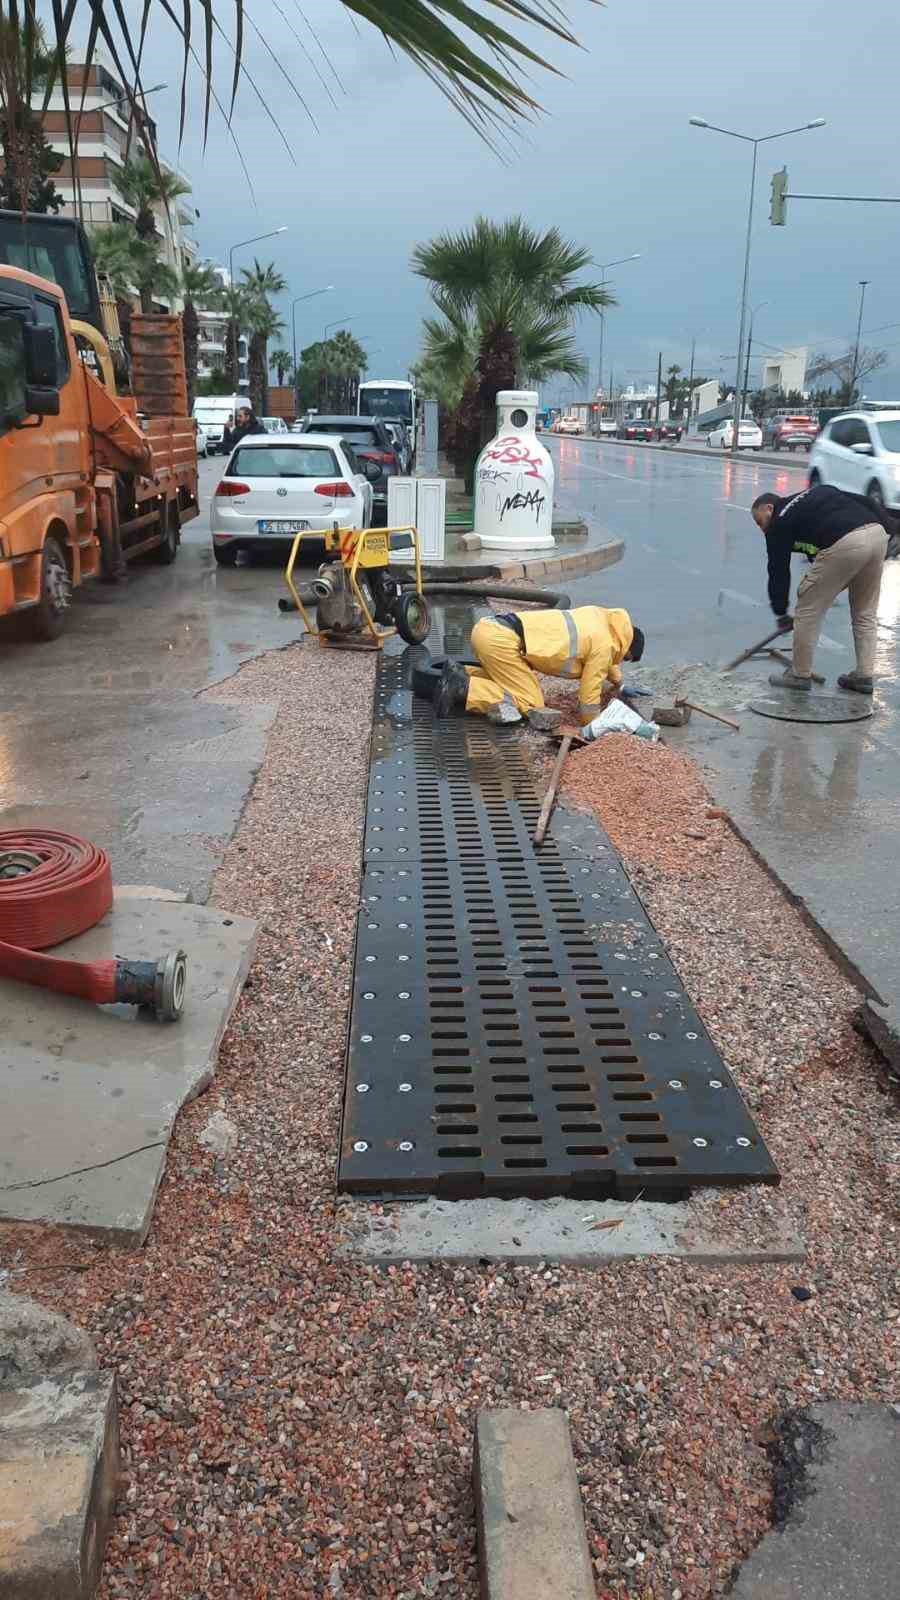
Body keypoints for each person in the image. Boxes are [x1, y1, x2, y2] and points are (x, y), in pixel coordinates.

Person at [751, 485, 891, 695]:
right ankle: (864, 676)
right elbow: (869, 501)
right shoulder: (811, 495)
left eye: (760, 522)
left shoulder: (779, 521)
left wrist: (781, 613)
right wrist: (894, 528)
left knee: (807, 608)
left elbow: (778, 570)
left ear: (769, 508)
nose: (761, 529)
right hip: (877, 535)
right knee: (865, 613)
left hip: (847, 541)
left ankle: (799, 674)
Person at [434, 605, 645, 723]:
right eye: (625, 658)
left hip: (490, 630)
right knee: (531, 702)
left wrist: (621, 684)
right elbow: (589, 695)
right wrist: (594, 725)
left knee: (512, 680)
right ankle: (465, 687)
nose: (620, 662)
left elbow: (605, 661)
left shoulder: (603, 621)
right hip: (500, 643)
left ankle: (463, 672)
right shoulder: (606, 646)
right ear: (625, 646)